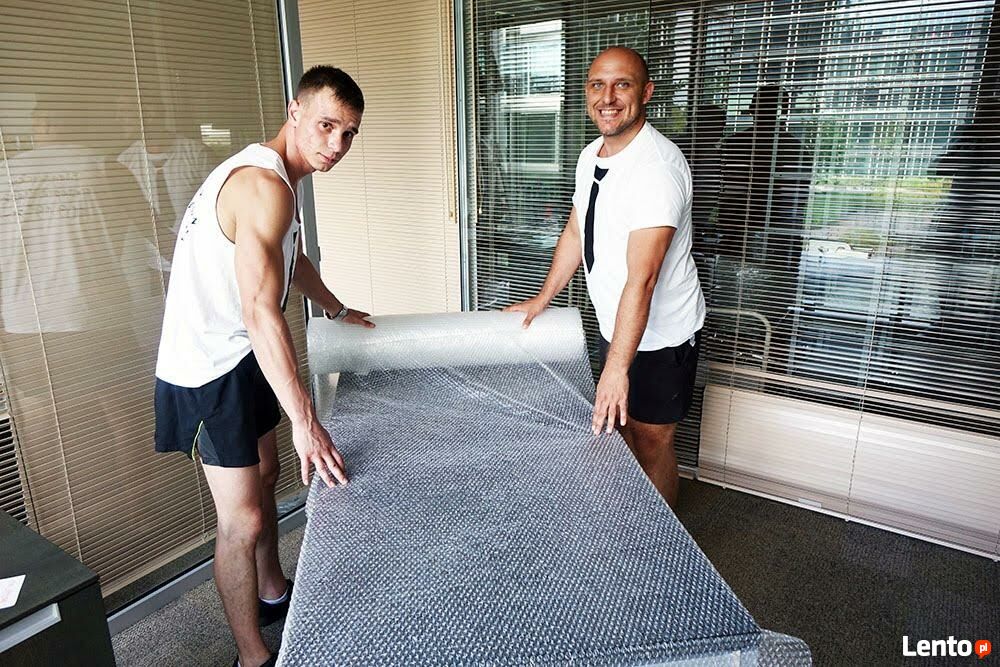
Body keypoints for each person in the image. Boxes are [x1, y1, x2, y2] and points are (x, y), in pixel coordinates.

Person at [153, 66, 373, 667]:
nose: (336, 145)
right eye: (326, 125)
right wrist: (305, 419)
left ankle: (273, 589)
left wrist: (336, 308)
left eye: (348, 133)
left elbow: (290, 259)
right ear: (294, 112)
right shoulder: (262, 185)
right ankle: (251, 657)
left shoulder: (281, 179)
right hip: (207, 371)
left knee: (269, 471)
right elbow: (259, 309)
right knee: (243, 520)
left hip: (241, 354)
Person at [505, 47, 705, 508]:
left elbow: (644, 279)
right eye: (598, 85)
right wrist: (542, 298)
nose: (608, 97)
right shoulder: (592, 154)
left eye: (622, 85)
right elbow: (578, 229)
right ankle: (632, 512)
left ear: (646, 93)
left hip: (662, 336)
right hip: (618, 324)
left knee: (651, 441)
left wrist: (617, 370)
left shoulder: (656, 170)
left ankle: (659, 537)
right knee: (622, 430)